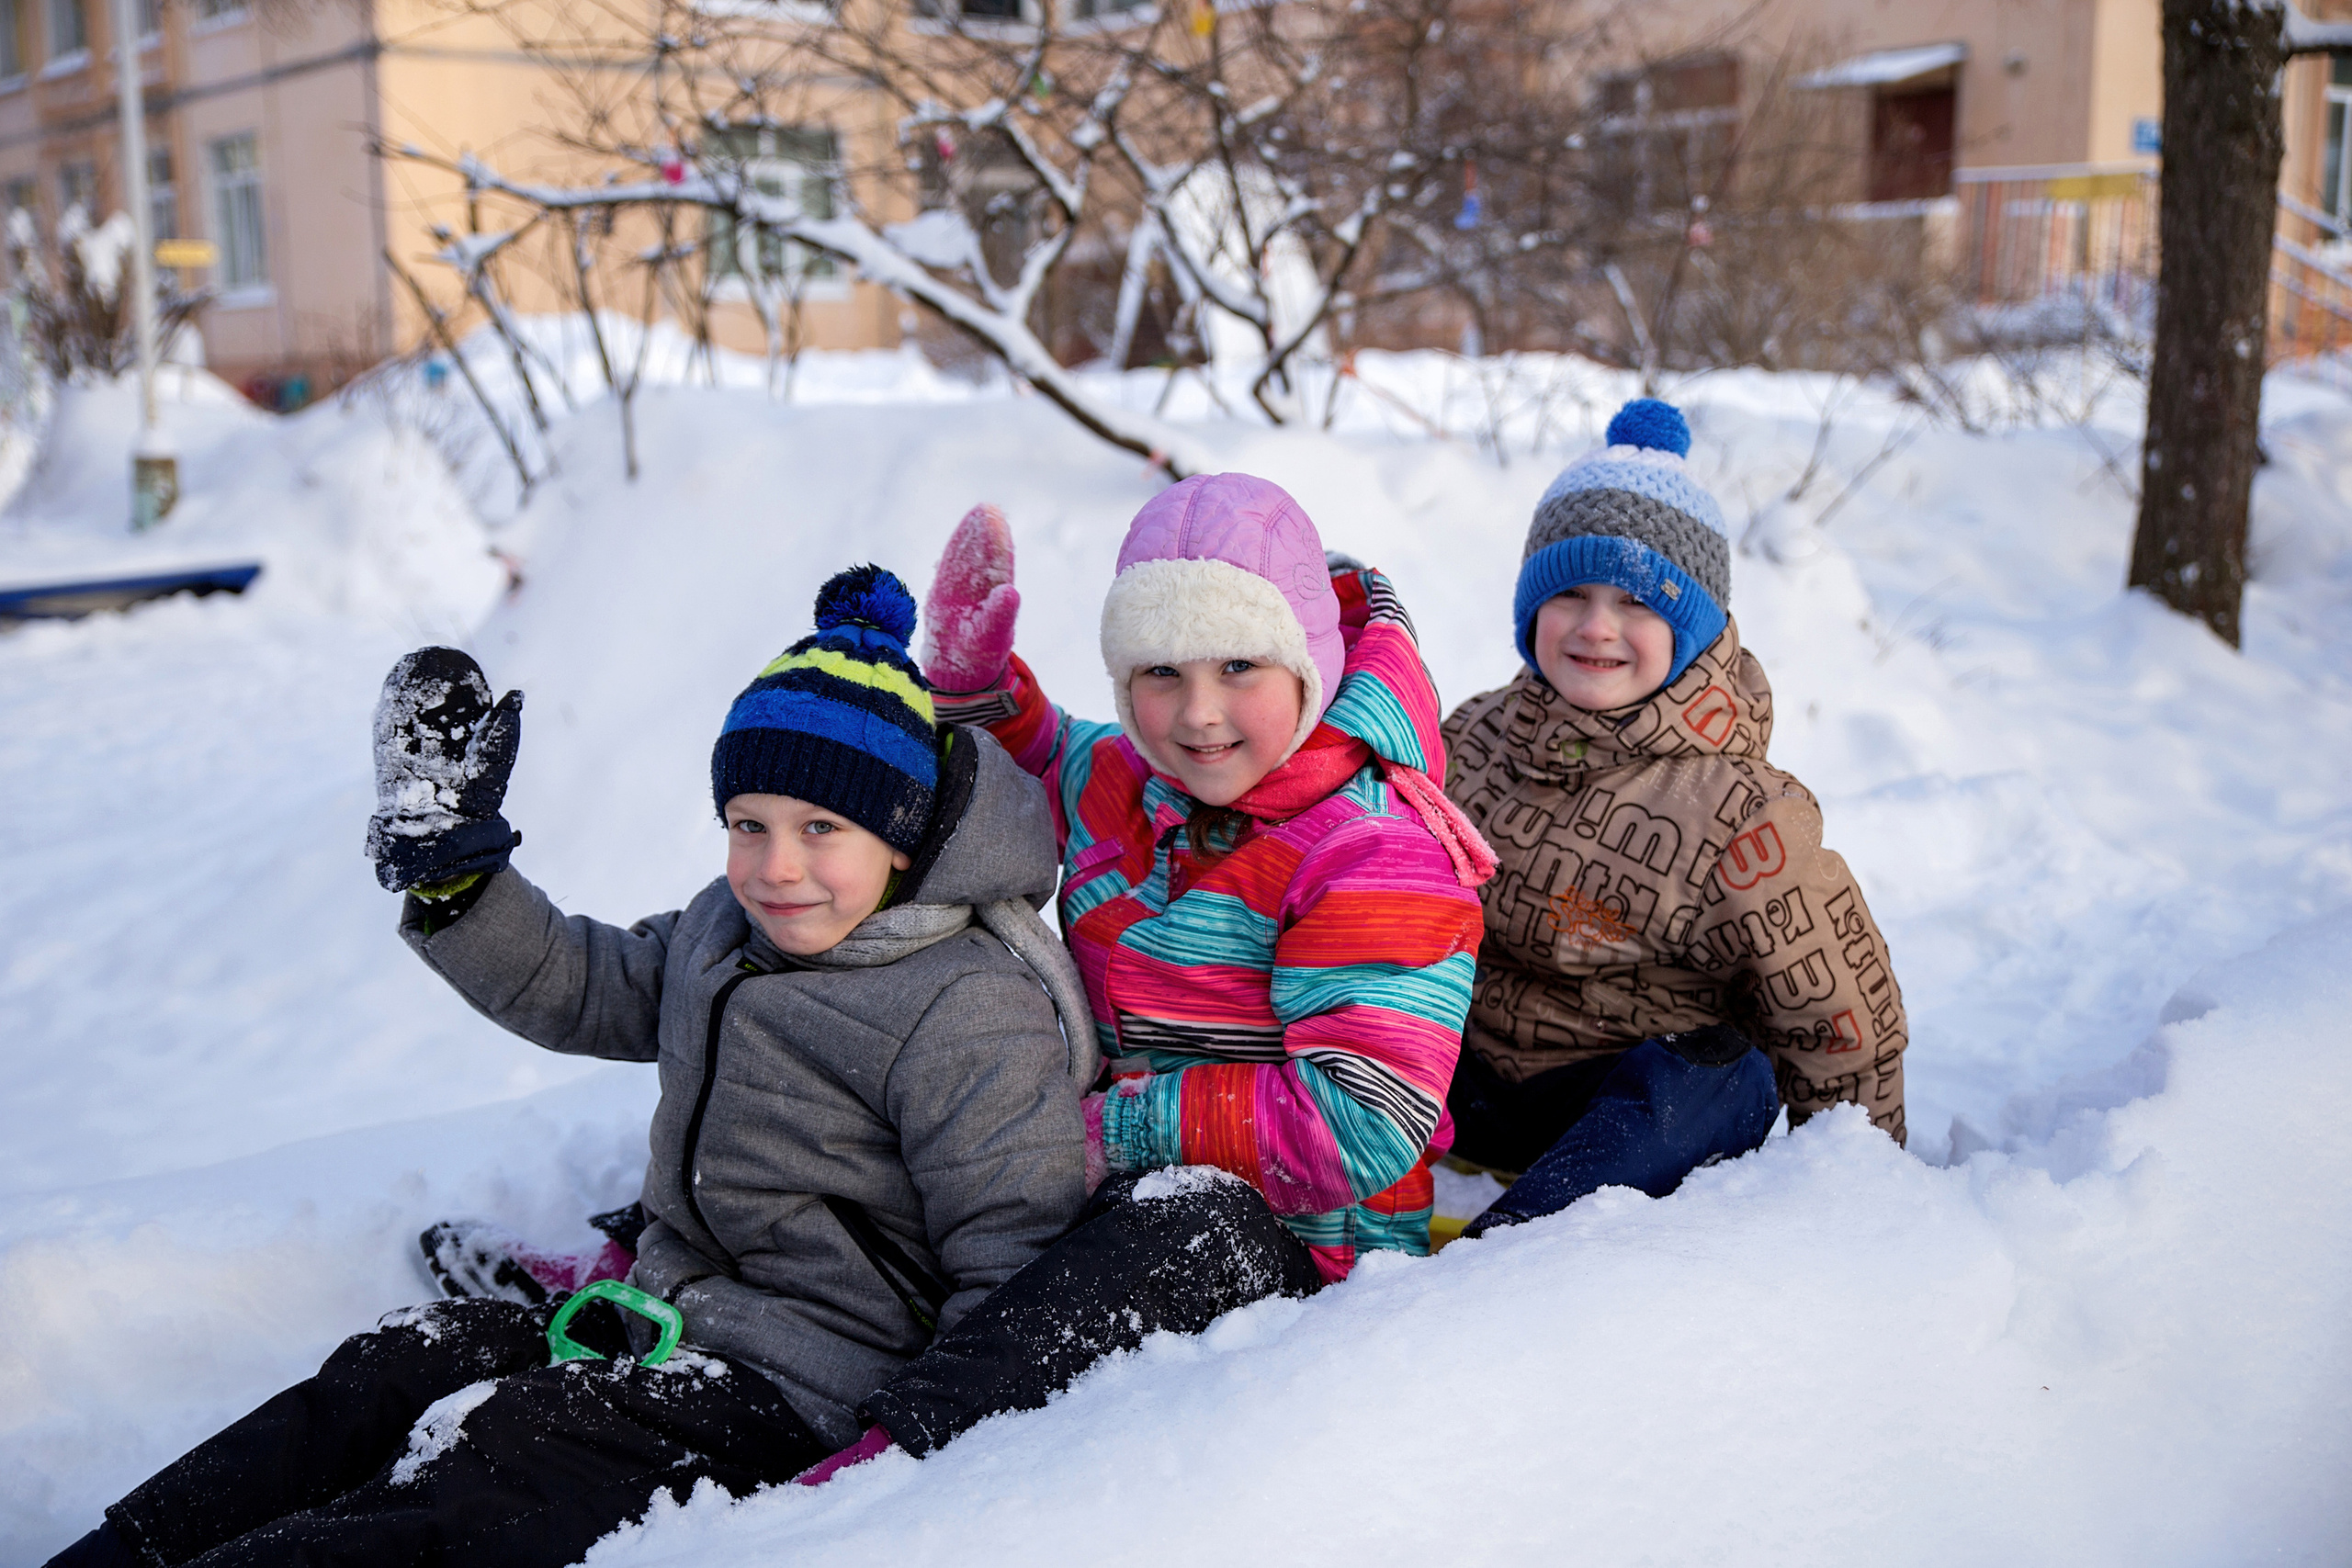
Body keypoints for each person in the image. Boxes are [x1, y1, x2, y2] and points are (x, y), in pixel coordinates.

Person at [45, 567, 1092, 1568]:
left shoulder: (965, 1008)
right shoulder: (725, 931)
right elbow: (586, 985)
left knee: (484, 1471)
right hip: (655, 1326)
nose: (777, 866)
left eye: (822, 828)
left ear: (901, 839)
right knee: (392, 1370)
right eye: (748, 825)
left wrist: (901, 1464)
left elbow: (1013, 1259)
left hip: (800, 1393)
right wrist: (461, 880)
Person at [791, 471, 1494, 1481]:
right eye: (1161, 671)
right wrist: (977, 689)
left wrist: (1102, 1132)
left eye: (1239, 665)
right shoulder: (1136, 776)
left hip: (1303, 1252)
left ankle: (892, 1466)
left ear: (1309, 661)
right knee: (913, 1113)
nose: (1199, 714)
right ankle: (730, 1306)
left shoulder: (1373, 850)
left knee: (1173, 1223)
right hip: (1102, 1173)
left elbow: (1365, 1120)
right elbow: (1046, 761)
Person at [1437, 398, 1909, 1239]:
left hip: (1620, 1119)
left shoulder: (1740, 814)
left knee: (1729, 1075)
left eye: (1636, 601)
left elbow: (1838, 1016)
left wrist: (1857, 1195)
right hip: (1458, 1083)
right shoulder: (1469, 740)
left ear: (1689, 627)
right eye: (1569, 593)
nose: (1596, 627)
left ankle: (1505, 1254)